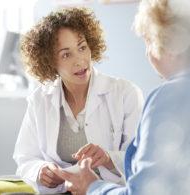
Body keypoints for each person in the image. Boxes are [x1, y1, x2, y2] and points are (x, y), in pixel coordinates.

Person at [53, 0, 190, 194]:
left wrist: (92, 187)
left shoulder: (168, 97)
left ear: (171, 41)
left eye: (149, 41)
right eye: (65, 54)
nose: (148, 54)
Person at [13, 8, 144, 194]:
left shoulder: (125, 93)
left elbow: (140, 159)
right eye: (66, 54)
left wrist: (108, 158)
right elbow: (25, 157)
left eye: (82, 48)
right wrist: (40, 171)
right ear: (50, 62)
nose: (80, 60)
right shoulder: (40, 100)